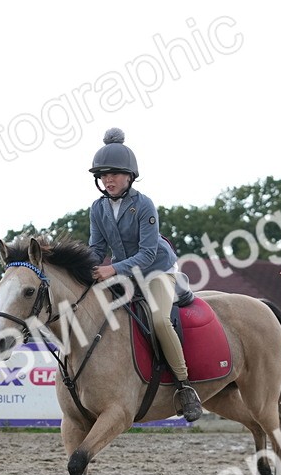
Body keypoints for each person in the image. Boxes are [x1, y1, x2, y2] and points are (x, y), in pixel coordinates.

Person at [86, 128, 202, 422]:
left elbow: (148, 254)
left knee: (160, 320)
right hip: (126, 275)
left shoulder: (144, 205)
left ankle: (184, 386)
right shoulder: (97, 209)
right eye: (103, 175)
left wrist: (112, 268)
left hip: (156, 271)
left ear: (129, 176)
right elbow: (96, 249)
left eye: (113, 174)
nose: (107, 180)